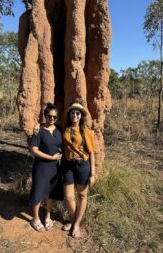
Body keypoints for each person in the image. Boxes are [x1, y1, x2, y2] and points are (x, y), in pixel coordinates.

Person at [62, 102, 96, 239]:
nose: (74, 115)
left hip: (83, 166)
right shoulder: (65, 129)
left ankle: (76, 224)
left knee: (82, 195)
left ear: (81, 116)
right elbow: (49, 125)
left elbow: (92, 152)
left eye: (77, 113)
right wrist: (36, 126)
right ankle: (74, 219)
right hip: (68, 165)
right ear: (69, 115)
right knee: (69, 196)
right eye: (72, 113)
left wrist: (93, 174)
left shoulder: (86, 131)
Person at [29, 103, 63, 231]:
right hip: (41, 167)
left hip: (55, 168)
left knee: (51, 192)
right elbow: (33, 150)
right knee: (38, 192)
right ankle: (35, 218)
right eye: (49, 116)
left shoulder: (58, 129)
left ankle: (47, 216)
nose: (52, 119)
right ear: (45, 116)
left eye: (55, 117)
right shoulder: (39, 131)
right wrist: (51, 158)